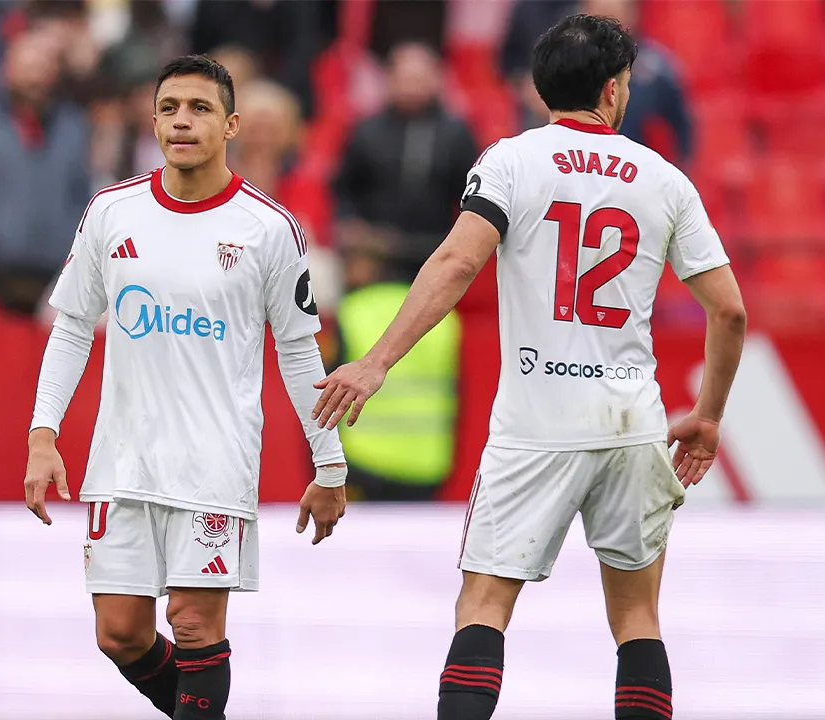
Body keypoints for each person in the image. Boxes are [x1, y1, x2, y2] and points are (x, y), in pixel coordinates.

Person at [313, 14, 746, 720]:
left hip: (536, 421)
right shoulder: (665, 180)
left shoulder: (512, 160)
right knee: (637, 618)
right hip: (631, 419)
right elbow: (729, 312)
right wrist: (709, 417)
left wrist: (377, 361)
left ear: (544, 88)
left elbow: (457, 261)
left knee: (485, 603)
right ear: (612, 92)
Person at [23, 55, 348, 720]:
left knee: (195, 625)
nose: (182, 121)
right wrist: (42, 432)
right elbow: (73, 327)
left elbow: (296, 350)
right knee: (119, 632)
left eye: (199, 108)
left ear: (230, 125)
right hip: (123, 461)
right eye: (169, 107)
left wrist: (330, 460)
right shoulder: (112, 212)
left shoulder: (269, 230)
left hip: (213, 465)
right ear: (153, 121)